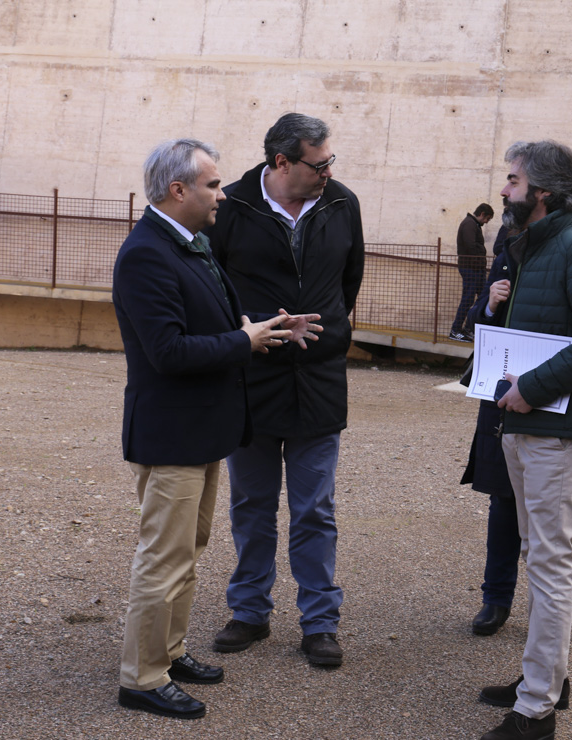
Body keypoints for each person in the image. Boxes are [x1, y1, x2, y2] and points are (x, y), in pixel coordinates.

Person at [112, 138, 320, 720]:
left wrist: (265, 327)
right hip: (172, 433)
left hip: (201, 430)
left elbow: (211, 322)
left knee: (189, 548)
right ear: (177, 191)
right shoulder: (147, 253)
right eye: (211, 185)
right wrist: (242, 342)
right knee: (165, 556)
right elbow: (167, 351)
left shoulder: (190, 243)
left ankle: (169, 653)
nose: (222, 195)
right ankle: (142, 677)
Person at [474, 140, 572, 740]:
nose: (505, 190)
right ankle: (545, 678)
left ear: (542, 191)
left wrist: (532, 389)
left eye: (512, 180)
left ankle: (536, 711)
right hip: (528, 425)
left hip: (558, 432)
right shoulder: (533, 247)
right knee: (538, 558)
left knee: (550, 563)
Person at [205, 112, 364, 668]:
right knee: (250, 504)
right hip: (250, 379)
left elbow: (349, 284)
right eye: (318, 164)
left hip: (319, 381)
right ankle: (249, 612)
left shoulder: (343, 204)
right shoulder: (232, 206)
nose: (328, 173)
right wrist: (247, 333)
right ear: (281, 162)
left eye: (329, 163)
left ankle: (320, 622)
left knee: (315, 509)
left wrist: (329, 336)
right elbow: (210, 284)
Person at [460, 249, 520, 637]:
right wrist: (490, 304)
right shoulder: (506, 257)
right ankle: (495, 599)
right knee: (503, 503)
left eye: (514, 181)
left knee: (553, 518)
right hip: (502, 401)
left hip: (554, 402)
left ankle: (550, 613)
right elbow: (474, 323)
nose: (505, 190)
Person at [449, 203, 494, 341]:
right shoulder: (469, 224)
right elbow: (471, 247)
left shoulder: (473, 225)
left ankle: (469, 328)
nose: (486, 222)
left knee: (482, 298)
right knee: (468, 299)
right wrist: (481, 256)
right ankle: (455, 330)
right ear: (482, 214)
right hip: (470, 268)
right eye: (487, 219)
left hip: (476, 268)